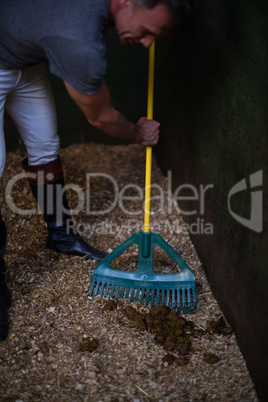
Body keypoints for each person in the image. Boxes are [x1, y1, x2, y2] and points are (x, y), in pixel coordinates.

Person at [0, 0, 193, 341]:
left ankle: (61, 237)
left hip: (21, 59)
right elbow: (100, 117)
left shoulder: (91, 20)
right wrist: (139, 133)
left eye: (156, 36)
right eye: (148, 30)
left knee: (45, 147)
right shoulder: (80, 41)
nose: (148, 43)